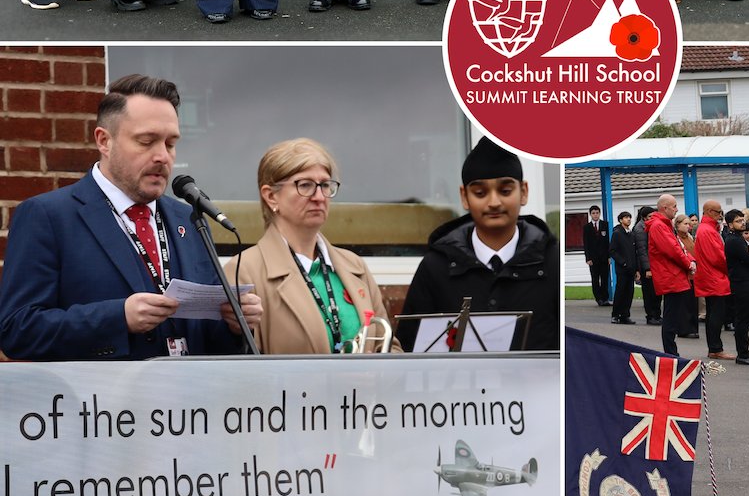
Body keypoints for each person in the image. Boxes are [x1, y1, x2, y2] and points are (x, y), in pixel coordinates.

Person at [0, 74, 262, 360]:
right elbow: (16, 329)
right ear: (104, 141)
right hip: (98, 403)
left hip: (187, 403)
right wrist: (118, 317)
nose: (162, 156)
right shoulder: (49, 216)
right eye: (146, 141)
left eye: (171, 144)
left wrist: (234, 325)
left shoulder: (188, 218)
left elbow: (205, 338)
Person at [222, 139, 399, 355]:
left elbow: (391, 349)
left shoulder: (354, 265)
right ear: (271, 196)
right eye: (305, 185)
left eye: (325, 185)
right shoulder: (243, 270)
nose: (319, 197)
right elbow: (243, 369)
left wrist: (379, 374)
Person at [396, 137, 559, 352]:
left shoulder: (552, 261)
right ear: (464, 197)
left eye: (505, 191)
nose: (494, 202)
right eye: (480, 193)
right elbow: (407, 348)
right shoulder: (435, 266)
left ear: (524, 192)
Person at [646, 194, 695, 357]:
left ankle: (672, 352)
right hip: (670, 277)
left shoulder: (664, 225)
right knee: (671, 318)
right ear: (664, 208)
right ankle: (671, 353)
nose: (677, 209)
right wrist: (689, 264)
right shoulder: (659, 226)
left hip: (673, 276)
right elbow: (673, 250)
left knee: (673, 316)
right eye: (674, 206)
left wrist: (690, 260)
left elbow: (678, 247)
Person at [695, 200, 733, 359]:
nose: (720, 215)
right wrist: (730, 269)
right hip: (714, 278)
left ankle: (715, 348)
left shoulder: (706, 229)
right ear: (709, 211)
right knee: (716, 314)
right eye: (718, 212)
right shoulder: (707, 231)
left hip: (710, 277)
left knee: (713, 313)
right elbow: (718, 257)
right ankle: (716, 348)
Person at [726, 217, 749, 366]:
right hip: (741, 283)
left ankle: (744, 353)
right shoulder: (734, 240)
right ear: (730, 224)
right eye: (738, 221)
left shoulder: (737, 239)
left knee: (744, 318)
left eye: (743, 220)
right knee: (742, 320)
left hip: (745, 281)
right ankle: (743, 354)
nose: (742, 223)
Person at [633, 205, 662, 326]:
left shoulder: (652, 226)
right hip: (647, 266)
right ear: (644, 218)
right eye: (650, 216)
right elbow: (642, 250)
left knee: (657, 292)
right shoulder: (640, 229)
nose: (653, 218)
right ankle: (651, 316)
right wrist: (647, 269)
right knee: (649, 293)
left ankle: (657, 315)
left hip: (656, 264)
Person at [609, 211, 637, 324]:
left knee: (629, 292)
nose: (628, 219)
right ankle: (615, 314)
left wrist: (636, 268)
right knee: (620, 291)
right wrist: (623, 262)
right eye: (626, 218)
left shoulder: (631, 234)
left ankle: (625, 315)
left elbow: (634, 252)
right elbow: (612, 250)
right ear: (621, 220)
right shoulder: (617, 233)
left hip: (631, 269)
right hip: (622, 269)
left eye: (629, 217)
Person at [582, 204, 611, 307]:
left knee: (604, 278)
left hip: (604, 257)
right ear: (590, 214)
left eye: (597, 213)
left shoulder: (605, 225)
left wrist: (609, 256)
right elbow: (586, 244)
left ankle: (605, 298)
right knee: (595, 279)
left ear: (599, 213)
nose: (595, 215)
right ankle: (598, 298)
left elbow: (608, 242)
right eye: (593, 213)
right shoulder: (587, 227)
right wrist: (588, 258)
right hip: (593, 259)